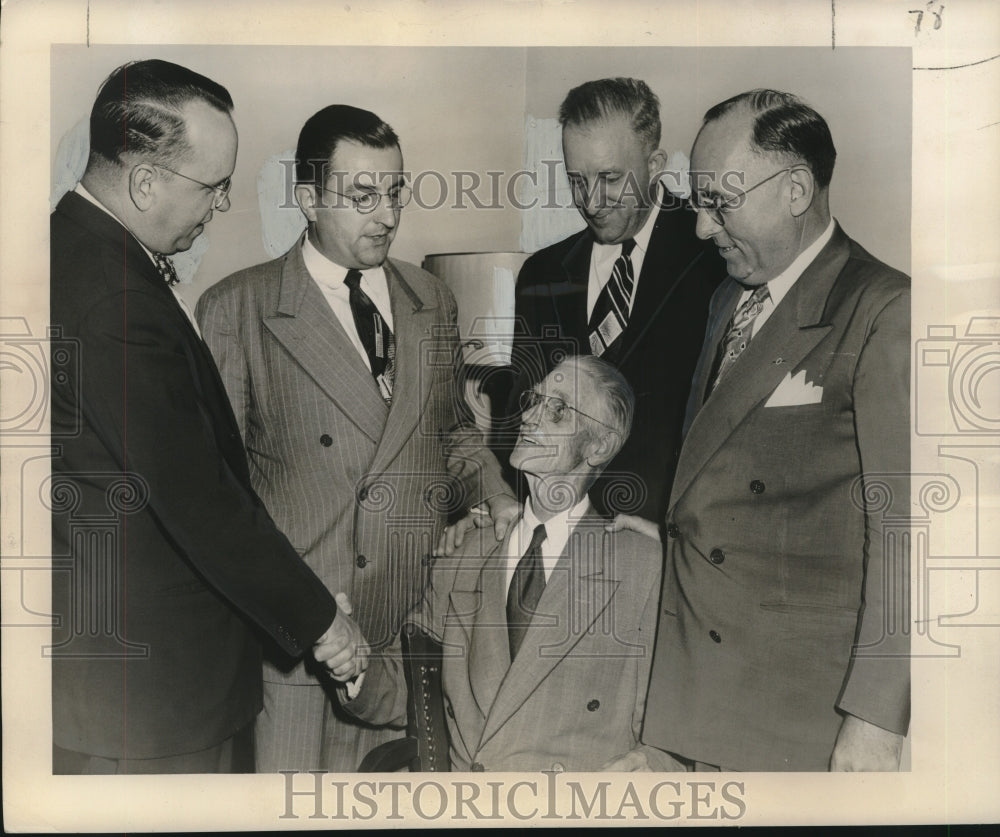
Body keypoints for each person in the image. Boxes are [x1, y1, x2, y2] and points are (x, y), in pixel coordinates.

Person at [49, 59, 363, 775]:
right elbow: (199, 497)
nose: (220, 207)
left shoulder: (74, 254)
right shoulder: (111, 300)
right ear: (144, 182)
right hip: (151, 698)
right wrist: (321, 620)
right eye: (214, 187)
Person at [196, 104, 519, 773]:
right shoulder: (240, 307)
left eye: (395, 192)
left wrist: (495, 495)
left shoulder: (431, 298)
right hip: (301, 643)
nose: (387, 215)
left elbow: (449, 432)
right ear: (308, 198)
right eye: (362, 196)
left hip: (410, 634)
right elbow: (217, 492)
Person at [624, 89, 911, 772]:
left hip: (801, 716)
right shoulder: (728, 300)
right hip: (694, 695)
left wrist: (876, 721)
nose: (701, 230)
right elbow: (716, 478)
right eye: (699, 204)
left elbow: (911, 540)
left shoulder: (882, 309)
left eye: (721, 202)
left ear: (796, 190)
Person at [340, 356, 678, 771]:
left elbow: (670, 720)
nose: (531, 415)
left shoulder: (641, 566)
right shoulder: (466, 553)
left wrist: (652, 768)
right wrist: (351, 663)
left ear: (599, 446)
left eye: (558, 408)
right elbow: (404, 685)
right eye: (534, 399)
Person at [503, 77, 725, 521]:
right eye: (576, 180)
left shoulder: (716, 259)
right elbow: (518, 413)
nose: (591, 201)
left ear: (656, 162)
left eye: (609, 178)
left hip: (671, 540)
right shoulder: (541, 275)